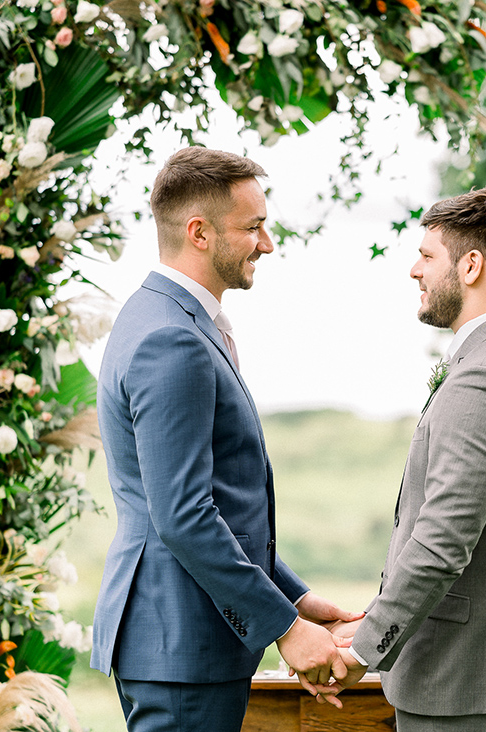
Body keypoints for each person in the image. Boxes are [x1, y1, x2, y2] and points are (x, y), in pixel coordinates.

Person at [90, 147, 359, 732]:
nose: (267, 243)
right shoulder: (172, 339)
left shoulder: (158, 317)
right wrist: (284, 629)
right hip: (182, 642)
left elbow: (216, 501)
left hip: (182, 638)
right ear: (199, 232)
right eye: (253, 227)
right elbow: (184, 515)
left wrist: (293, 598)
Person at [328, 187, 486, 732]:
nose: (414, 270)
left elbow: (441, 542)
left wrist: (363, 650)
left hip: (458, 676)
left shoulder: (483, 377)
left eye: (428, 255)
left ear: (472, 265)